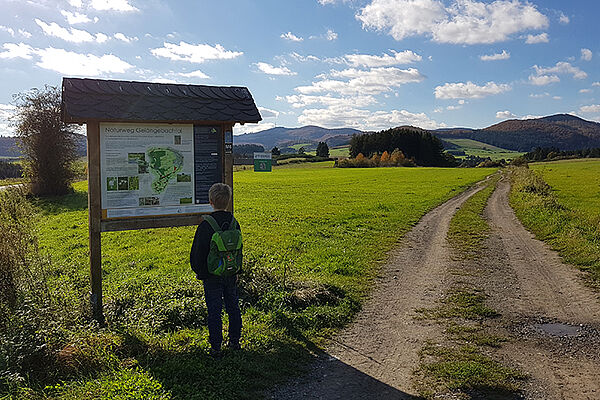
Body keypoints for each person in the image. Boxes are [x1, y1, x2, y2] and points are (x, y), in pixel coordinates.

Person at [190, 183, 242, 358]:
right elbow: (239, 250)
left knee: (214, 310)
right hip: (230, 271)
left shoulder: (206, 225)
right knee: (233, 307)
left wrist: (200, 271)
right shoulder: (234, 222)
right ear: (228, 201)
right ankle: (235, 341)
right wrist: (236, 271)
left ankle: (216, 347)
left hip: (211, 275)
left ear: (210, 201)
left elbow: (198, 252)